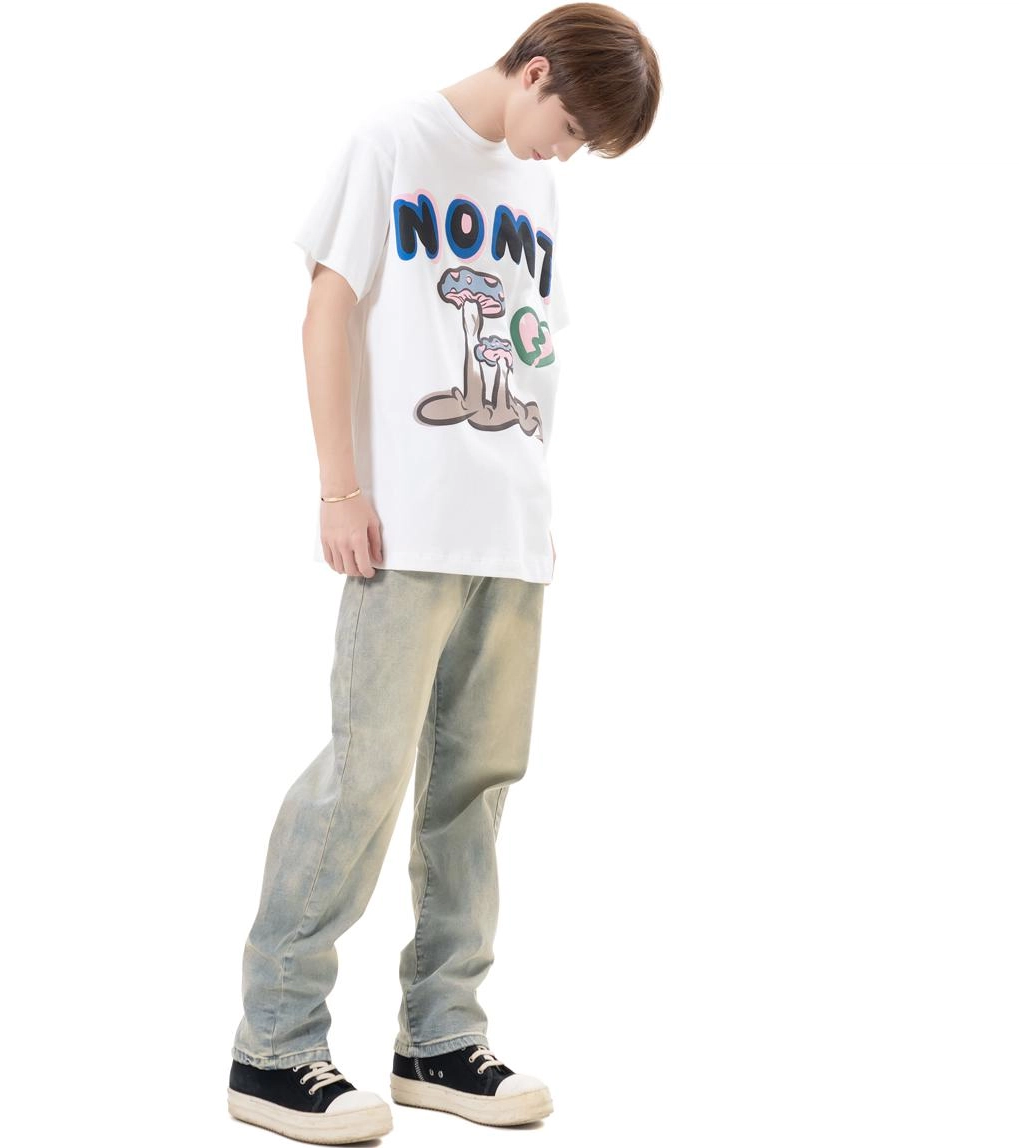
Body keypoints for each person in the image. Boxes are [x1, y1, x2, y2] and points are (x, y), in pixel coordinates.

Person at [227, 5, 660, 1141]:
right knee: (362, 780)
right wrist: (339, 488)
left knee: (477, 789)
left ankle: (438, 1036)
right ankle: (273, 1045)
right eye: (569, 128)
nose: (563, 155)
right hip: (404, 529)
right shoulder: (394, 140)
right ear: (534, 71)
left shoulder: (538, 187)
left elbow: (531, 350)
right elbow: (327, 312)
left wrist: (533, 503)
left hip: (507, 534)